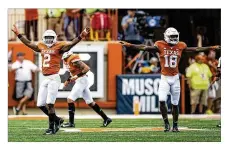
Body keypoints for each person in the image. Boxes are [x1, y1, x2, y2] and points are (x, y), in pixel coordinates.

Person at [120, 27, 220, 132]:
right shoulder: (160, 44)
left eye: (175, 36)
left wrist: (211, 47)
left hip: (175, 78)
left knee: (175, 103)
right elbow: (145, 47)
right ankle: (166, 123)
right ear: (166, 36)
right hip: (165, 78)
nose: (174, 38)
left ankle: (175, 125)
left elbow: (196, 49)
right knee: (162, 100)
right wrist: (129, 45)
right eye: (172, 36)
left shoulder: (180, 45)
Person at [11, 24, 90, 135]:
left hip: (54, 78)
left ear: (55, 38)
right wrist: (18, 34)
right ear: (44, 38)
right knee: (40, 104)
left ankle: (52, 128)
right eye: (47, 38)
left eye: (50, 38)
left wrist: (81, 36)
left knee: (50, 103)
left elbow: (71, 44)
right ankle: (58, 120)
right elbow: (29, 43)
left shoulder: (59, 46)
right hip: (46, 78)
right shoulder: (41, 45)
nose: (49, 40)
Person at [61, 51, 112, 128]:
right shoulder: (70, 61)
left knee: (70, 99)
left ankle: (71, 123)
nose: (64, 61)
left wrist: (77, 76)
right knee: (90, 102)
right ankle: (106, 118)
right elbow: (73, 73)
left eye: (65, 59)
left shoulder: (73, 59)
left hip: (82, 80)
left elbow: (87, 68)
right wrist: (68, 80)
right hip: (81, 80)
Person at [205, 50, 219, 114]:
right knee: (207, 96)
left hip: (214, 80)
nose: (213, 55)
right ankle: (207, 110)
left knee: (213, 96)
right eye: (212, 54)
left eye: (214, 54)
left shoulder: (216, 61)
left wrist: (212, 65)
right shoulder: (205, 60)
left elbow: (219, 70)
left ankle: (210, 110)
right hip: (205, 80)